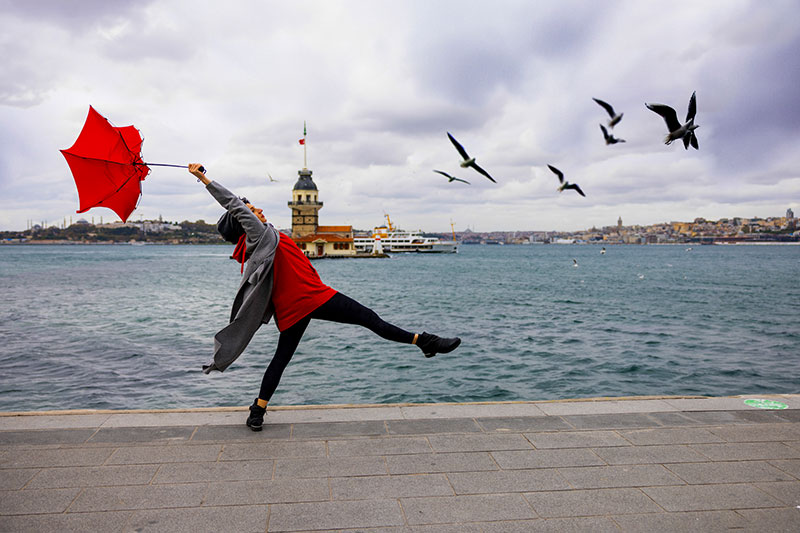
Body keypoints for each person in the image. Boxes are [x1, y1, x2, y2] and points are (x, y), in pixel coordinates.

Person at [188, 164, 461, 431]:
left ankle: (257, 410)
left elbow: (241, 209)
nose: (257, 210)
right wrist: (203, 178)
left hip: (295, 306)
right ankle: (425, 341)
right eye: (251, 210)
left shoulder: (264, 234)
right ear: (243, 221)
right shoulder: (258, 235)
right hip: (312, 297)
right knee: (369, 319)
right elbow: (233, 204)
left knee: (281, 359)